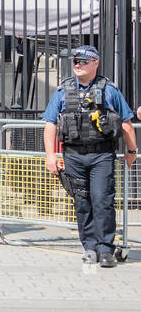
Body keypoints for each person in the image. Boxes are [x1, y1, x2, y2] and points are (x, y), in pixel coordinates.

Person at [42, 46, 138, 267]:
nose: (78, 64)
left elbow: (126, 123)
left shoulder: (110, 90)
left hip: (101, 155)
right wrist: (50, 156)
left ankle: (106, 250)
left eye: (83, 61)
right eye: (75, 61)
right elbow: (50, 125)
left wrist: (132, 151)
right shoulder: (63, 90)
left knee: (102, 201)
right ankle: (89, 248)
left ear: (95, 63)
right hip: (73, 156)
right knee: (82, 202)